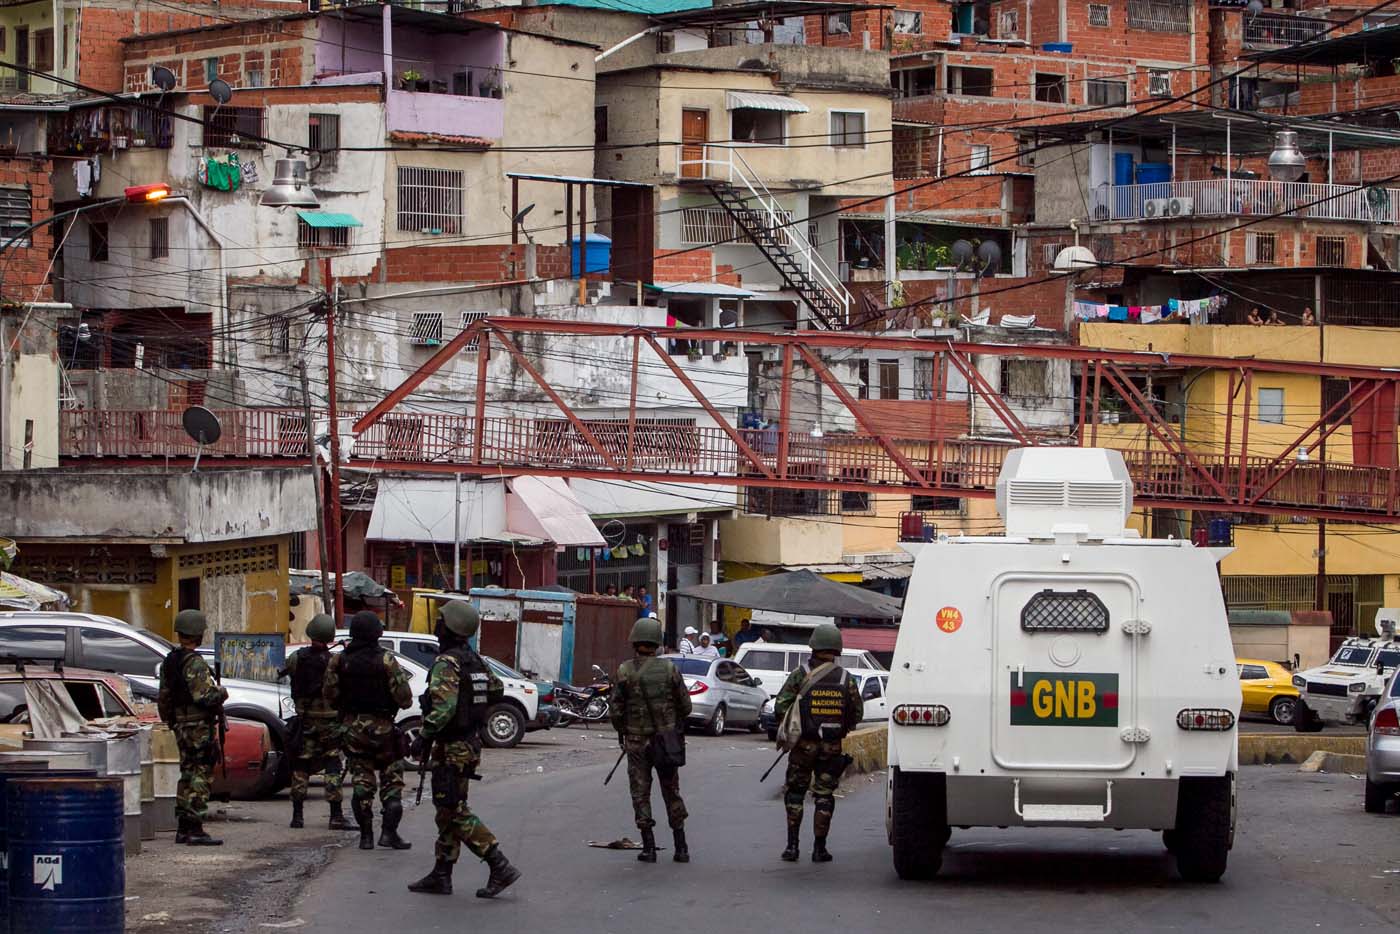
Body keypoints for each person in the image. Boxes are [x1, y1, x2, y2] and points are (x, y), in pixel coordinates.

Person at [408, 602, 521, 899]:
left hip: (451, 746)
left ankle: (500, 864)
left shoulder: (448, 663)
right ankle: (441, 874)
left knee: (454, 811)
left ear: (451, 627)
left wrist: (424, 734)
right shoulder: (475, 660)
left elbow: (443, 708)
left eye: (441, 622)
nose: (437, 627)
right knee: (447, 810)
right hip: (469, 742)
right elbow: (495, 689)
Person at [323, 610, 414, 852]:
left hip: (353, 730)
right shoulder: (386, 660)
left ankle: (366, 837)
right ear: (377, 633)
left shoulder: (339, 660)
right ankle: (389, 833)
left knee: (362, 783)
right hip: (384, 730)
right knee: (392, 782)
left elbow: (330, 696)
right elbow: (405, 698)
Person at [772, 624, 863, 864]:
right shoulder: (846, 678)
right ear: (837, 649)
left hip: (803, 747)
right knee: (824, 796)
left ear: (813, 646)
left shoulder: (800, 674)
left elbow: (780, 706)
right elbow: (857, 714)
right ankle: (819, 849)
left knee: (795, 794)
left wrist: (794, 726)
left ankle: (792, 847)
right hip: (831, 748)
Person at [609, 616, 692, 864]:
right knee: (671, 790)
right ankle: (681, 848)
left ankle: (649, 848)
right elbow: (685, 706)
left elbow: (615, 711)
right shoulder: (670, 669)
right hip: (665, 742)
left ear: (635, 641)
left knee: (640, 793)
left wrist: (624, 731)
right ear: (657, 643)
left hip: (636, 742)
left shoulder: (624, 670)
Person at [157, 609, 228, 847]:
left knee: (187, 773)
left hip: (181, 725)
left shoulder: (171, 660)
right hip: (198, 725)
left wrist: (171, 721)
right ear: (197, 634)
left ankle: (183, 827)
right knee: (201, 773)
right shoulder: (194, 662)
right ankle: (195, 827)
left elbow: (164, 696)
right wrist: (221, 692)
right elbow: (204, 696)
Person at [280, 614, 348, 831]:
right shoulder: (335, 661)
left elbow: (287, 675)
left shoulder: (296, 658)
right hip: (330, 723)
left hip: (305, 721)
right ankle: (335, 815)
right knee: (332, 766)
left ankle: (297, 816)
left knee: (301, 766)